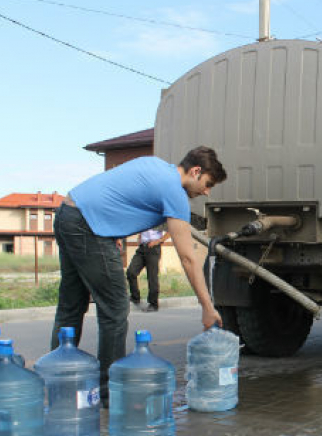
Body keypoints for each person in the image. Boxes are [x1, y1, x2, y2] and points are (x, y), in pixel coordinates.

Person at [51, 146, 226, 403]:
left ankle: (57, 381)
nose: (207, 191)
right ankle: (110, 393)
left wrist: (115, 232)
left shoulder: (154, 165)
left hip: (68, 213)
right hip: (89, 226)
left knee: (71, 305)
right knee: (115, 309)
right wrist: (207, 307)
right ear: (195, 171)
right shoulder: (174, 193)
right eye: (208, 184)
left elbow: (120, 194)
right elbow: (188, 258)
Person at [127, 227, 169, 312]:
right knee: (131, 272)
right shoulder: (146, 216)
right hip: (142, 248)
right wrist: (140, 236)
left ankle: (153, 304)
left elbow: (171, 231)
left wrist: (159, 240)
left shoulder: (158, 217)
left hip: (153, 248)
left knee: (152, 277)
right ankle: (135, 297)